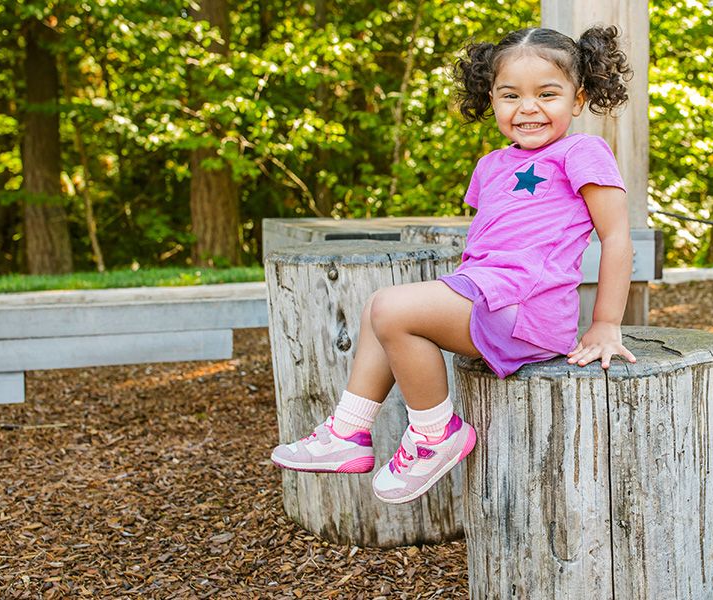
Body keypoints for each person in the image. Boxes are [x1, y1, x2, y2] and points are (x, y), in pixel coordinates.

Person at [270, 25, 638, 505]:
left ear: (578, 98)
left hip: (527, 311)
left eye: (547, 94)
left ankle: (434, 434)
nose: (528, 108)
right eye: (511, 95)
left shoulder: (582, 151)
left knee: (390, 307)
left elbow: (616, 237)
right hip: (487, 294)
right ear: (491, 99)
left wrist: (606, 323)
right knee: (380, 312)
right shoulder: (491, 166)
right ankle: (349, 431)